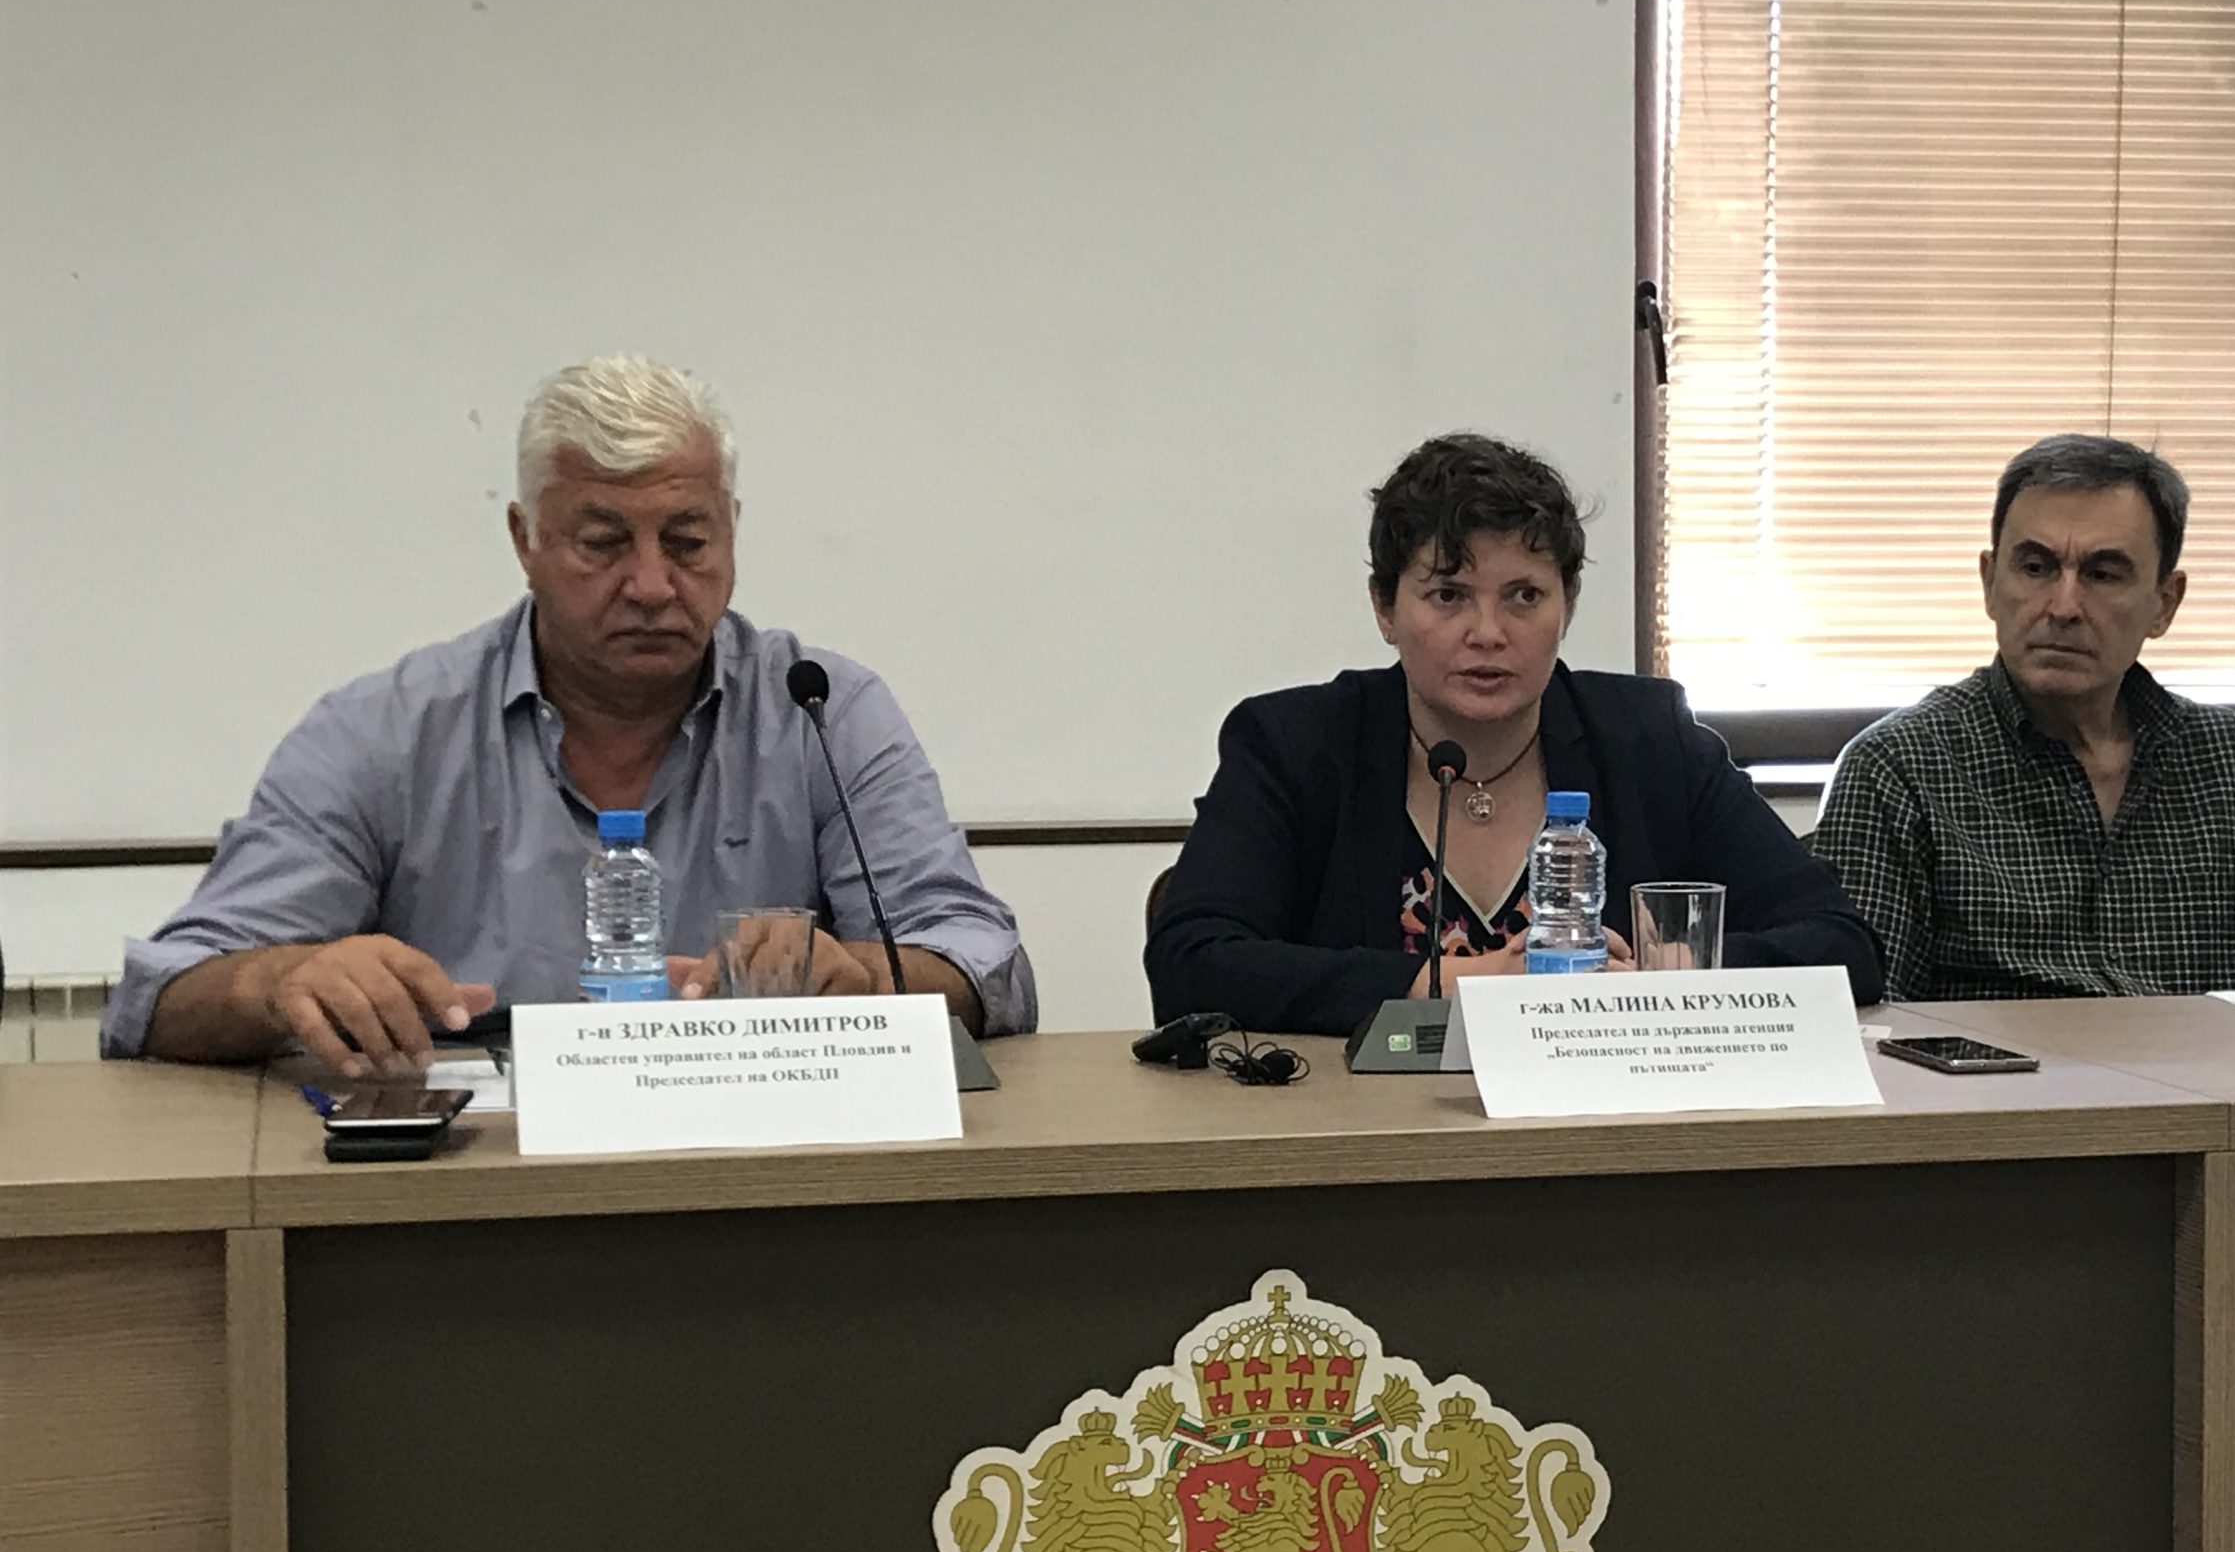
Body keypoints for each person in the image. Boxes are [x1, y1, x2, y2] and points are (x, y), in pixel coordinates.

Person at [103, 354, 1033, 1073]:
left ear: (732, 532)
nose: (652, 584)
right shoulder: (387, 731)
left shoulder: (821, 709)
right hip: (468, 1193)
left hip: (765, 1173)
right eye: (603, 543)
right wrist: (280, 981)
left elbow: (983, 960)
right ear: (526, 540)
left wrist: (864, 977)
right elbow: (158, 999)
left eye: (686, 541)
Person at [1144, 433, 1883, 1034]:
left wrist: (1657, 980)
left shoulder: (1649, 741)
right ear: (1384, 609)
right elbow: (1191, 962)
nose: (1488, 633)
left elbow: (1842, 944)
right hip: (1363, 1141)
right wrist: (1454, 981)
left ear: (1568, 605)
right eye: (1448, 595)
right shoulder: (1294, 744)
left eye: (1525, 595)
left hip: (1610, 1135)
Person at [1808, 433, 2235, 1002]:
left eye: (2102, 574)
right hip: (2006, 1063)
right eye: (2035, 568)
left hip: (2222, 1061)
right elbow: (1865, 1020)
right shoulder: (1901, 768)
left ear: (2165, 603)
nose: (2064, 607)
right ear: (1989, 583)